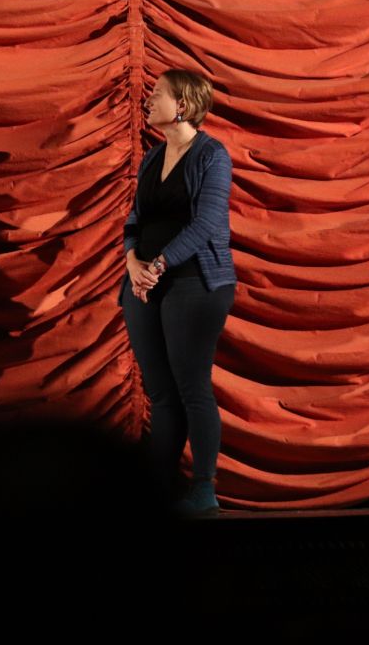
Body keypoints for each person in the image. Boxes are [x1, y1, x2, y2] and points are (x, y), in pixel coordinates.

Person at [121, 69, 236, 516]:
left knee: (192, 387)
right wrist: (134, 263)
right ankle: (160, 494)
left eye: (157, 96)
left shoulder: (212, 156)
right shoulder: (153, 158)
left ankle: (203, 490)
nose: (148, 102)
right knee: (161, 393)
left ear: (183, 106)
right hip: (144, 285)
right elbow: (135, 219)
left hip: (195, 284)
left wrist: (160, 264)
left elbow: (206, 224)